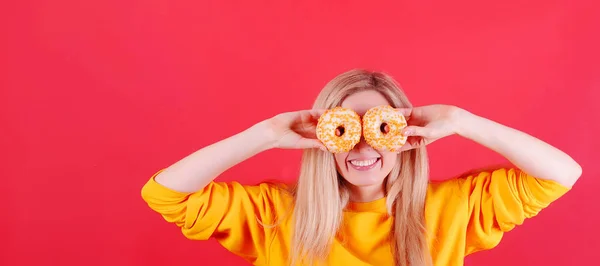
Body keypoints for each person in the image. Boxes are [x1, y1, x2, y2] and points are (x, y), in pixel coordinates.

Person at [140, 69, 582, 266]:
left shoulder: (453, 209)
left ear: (406, 137)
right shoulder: (274, 214)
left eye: (382, 127)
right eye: (345, 129)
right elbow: (165, 193)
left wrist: (463, 121)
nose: (364, 145)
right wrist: (268, 133)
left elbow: (562, 174)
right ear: (323, 138)